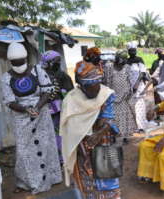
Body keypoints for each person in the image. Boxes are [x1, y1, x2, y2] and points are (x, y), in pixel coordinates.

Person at [60, 47, 121, 199]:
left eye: (97, 85)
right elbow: (69, 129)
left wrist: (99, 133)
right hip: (81, 147)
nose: (95, 91)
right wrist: (81, 142)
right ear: (80, 85)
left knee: (107, 181)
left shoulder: (106, 94)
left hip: (103, 145)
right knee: (87, 185)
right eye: (90, 88)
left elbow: (108, 117)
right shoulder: (71, 100)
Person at [1, 43, 62, 194]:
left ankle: (51, 178)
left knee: (46, 145)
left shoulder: (37, 70)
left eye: (20, 61)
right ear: (10, 61)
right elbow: (9, 101)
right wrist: (26, 109)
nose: (18, 64)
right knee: (24, 151)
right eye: (14, 62)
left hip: (41, 114)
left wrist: (38, 107)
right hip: (21, 118)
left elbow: (48, 91)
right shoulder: (6, 78)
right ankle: (26, 182)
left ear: (25, 58)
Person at [105, 50, 137, 143]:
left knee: (124, 116)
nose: (123, 61)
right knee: (113, 116)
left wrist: (128, 93)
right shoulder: (109, 67)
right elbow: (107, 80)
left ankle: (125, 137)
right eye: (122, 59)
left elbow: (130, 81)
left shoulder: (127, 67)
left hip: (124, 96)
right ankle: (114, 135)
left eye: (124, 59)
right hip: (113, 96)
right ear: (117, 58)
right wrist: (109, 94)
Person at [127, 42, 153, 132]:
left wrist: (136, 86)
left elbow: (142, 73)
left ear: (136, 51)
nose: (132, 52)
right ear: (128, 51)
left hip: (139, 87)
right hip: (129, 88)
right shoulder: (127, 61)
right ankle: (133, 126)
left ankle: (141, 127)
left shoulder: (139, 60)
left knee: (140, 107)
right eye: (130, 50)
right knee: (131, 107)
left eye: (134, 50)